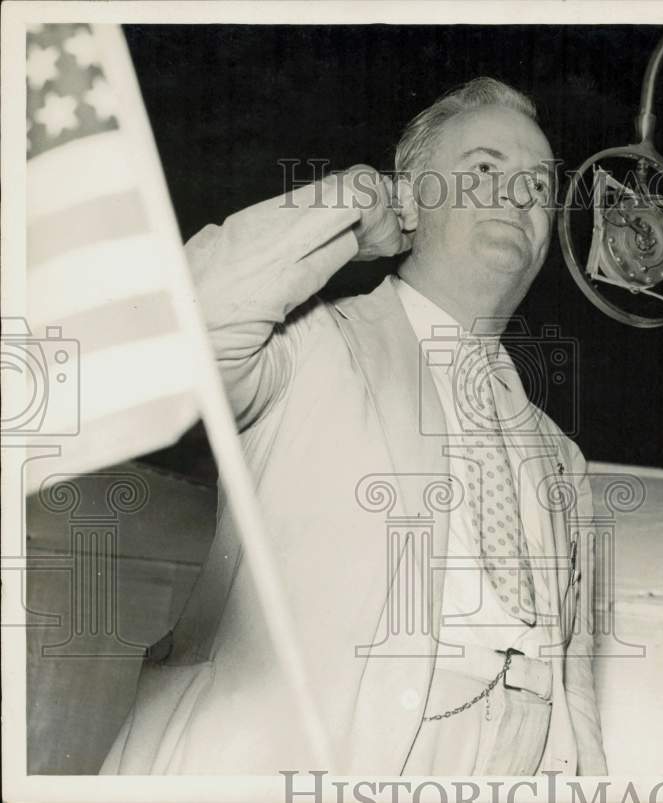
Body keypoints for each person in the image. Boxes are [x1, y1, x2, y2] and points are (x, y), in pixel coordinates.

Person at [101, 77, 607, 776]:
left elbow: (574, 683)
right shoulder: (309, 347)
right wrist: (349, 207)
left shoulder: (562, 458)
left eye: (538, 184)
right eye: (485, 169)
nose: (520, 197)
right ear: (414, 195)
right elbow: (182, 318)